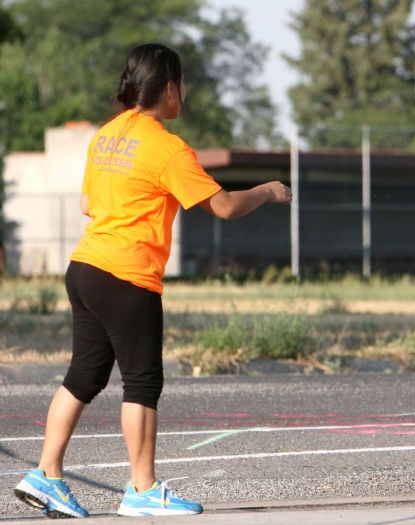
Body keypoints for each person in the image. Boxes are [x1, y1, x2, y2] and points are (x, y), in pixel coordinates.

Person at [13, 43, 292, 518]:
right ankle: (142, 490)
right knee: (141, 383)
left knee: (83, 376)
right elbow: (224, 206)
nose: (183, 93)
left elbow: (86, 204)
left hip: (85, 268)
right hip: (126, 275)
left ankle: (46, 474)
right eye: (181, 84)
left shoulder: (107, 135)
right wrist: (266, 189)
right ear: (168, 88)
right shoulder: (166, 147)